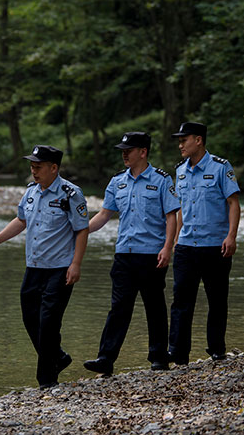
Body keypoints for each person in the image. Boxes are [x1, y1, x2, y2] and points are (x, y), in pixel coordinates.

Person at [0, 144, 89, 389]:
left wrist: (76, 264)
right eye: (32, 166)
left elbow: (82, 230)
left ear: (54, 168)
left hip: (60, 268)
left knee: (49, 323)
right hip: (34, 267)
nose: (33, 171)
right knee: (30, 318)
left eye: (38, 167)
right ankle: (57, 357)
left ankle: (47, 381)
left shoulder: (70, 193)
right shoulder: (31, 192)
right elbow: (20, 220)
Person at [83, 132, 180, 376]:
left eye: (129, 149)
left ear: (143, 152)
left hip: (151, 255)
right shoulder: (117, 182)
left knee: (154, 307)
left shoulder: (161, 180)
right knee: (119, 307)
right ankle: (105, 359)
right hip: (124, 255)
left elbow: (172, 217)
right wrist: (81, 231)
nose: (124, 154)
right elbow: (104, 215)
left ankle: (159, 357)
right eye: (122, 150)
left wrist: (168, 247)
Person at [169, 121, 240, 365]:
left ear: (198, 140)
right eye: (179, 140)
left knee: (217, 300)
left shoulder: (221, 167)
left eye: (184, 140)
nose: (180, 145)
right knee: (181, 301)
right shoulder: (179, 171)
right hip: (187, 246)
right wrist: (176, 239)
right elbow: (180, 209)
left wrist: (231, 236)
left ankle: (217, 350)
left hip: (215, 246)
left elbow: (233, 203)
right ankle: (178, 354)